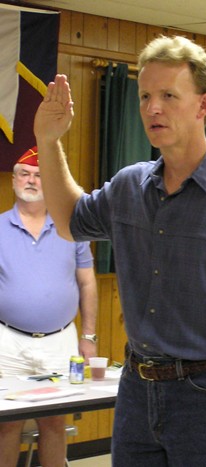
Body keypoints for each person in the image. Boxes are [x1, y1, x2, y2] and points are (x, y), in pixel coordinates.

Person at [33, 35, 206, 466]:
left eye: (167, 96)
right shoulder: (130, 185)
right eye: (144, 95)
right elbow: (70, 222)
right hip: (137, 389)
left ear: (203, 106)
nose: (152, 108)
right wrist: (48, 141)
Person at [0, 146, 98, 467]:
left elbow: (87, 283)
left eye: (40, 175)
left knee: (55, 422)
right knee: (6, 423)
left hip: (61, 342)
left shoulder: (72, 228)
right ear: (13, 179)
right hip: (7, 343)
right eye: (25, 174)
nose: (31, 180)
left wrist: (89, 337)